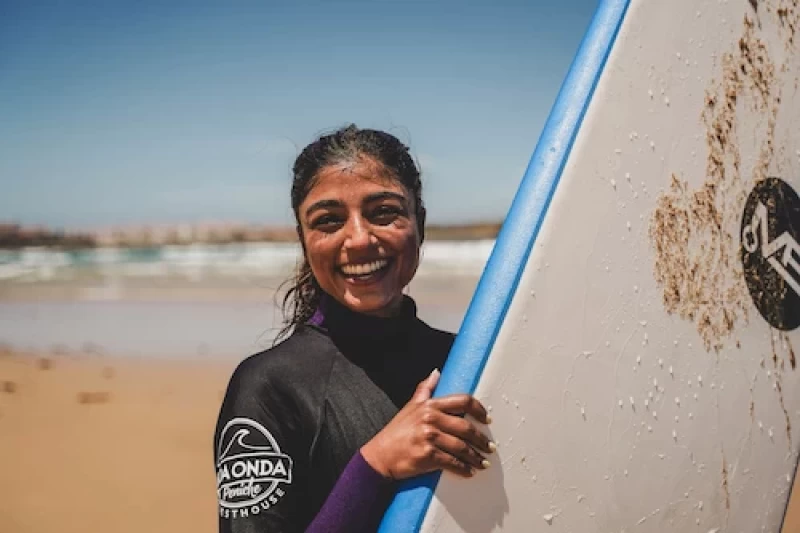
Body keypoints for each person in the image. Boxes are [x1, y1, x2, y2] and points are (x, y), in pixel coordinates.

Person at [214, 125, 496, 533]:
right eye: (328, 220)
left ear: (420, 223)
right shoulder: (268, 389)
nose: (359, 239)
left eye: (383, 212)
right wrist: (375, 466)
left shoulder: (465, 364)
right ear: (304, 240)